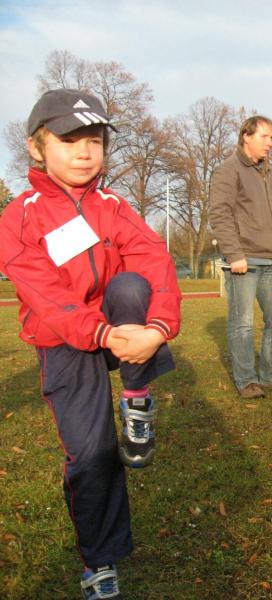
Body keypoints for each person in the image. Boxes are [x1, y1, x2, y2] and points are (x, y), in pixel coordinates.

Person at [0, 89, 181, 600]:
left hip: (119, 325)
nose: (85, 151)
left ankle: (137, 399)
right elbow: (46, 296)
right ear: (37, 147)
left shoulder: (114, 206)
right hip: (65, 340)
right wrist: (99, 333)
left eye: (95, 140)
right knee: (92, 454)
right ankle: (99, 562)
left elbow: (153, 259)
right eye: (69, 140)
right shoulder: (20, 216)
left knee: (131, 286)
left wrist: (157, 329)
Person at [209, 115, 272, 398]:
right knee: (242, 325)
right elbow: (219, 214)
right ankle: (246, 380)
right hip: (244, 262)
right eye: (264, 136)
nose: (270, 143)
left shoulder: (267, 171)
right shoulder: (228, 170)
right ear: (246, 136)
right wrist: (234, 254)